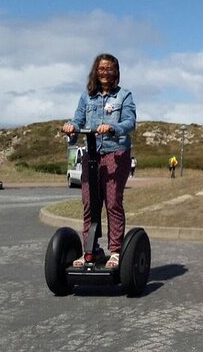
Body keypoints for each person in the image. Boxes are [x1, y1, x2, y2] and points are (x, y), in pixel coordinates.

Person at [62, 53, 136, 269]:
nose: (105, 73)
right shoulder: (87, 97)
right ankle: (90, 250)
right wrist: (71, 128)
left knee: (112, 202)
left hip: (117, 153)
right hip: (92, 154)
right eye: (102, 69)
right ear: (96, 71)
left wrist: (114, 127)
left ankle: (115, 251)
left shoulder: (124, 95)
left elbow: (130, 121)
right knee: (89, 203)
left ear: (116, 72)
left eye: (110, 69)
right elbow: (77, 120)